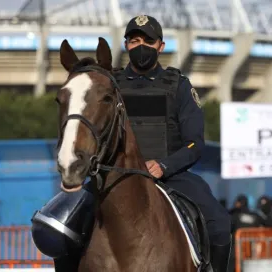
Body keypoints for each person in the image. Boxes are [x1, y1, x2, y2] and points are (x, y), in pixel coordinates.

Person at [32, 15, 231, 272]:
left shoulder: (179, 86)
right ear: (126, 45)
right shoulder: (108, 86)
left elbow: (195, 143)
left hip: (170, 176)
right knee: (62, 228)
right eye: (135, 40)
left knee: (219, 223)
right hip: (114, 177)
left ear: (160, 46)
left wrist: (163, 166)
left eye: (149, 40)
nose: (141, 46)